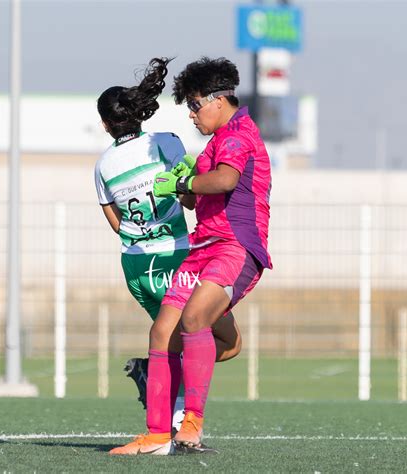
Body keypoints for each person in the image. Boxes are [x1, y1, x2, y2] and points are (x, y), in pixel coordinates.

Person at [109, 56, 272, 455]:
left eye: (195, 105)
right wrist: (178, 188)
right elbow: (194, 197)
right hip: (200, 249)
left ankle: (191, 426)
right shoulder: (216, 142)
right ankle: (156, 435)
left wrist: (186, 179)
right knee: (162, 332)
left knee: (196, 320)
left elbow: (226, 180)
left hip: (235, 248)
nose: (193, 115)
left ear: (219, 100)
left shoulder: (237, 136)